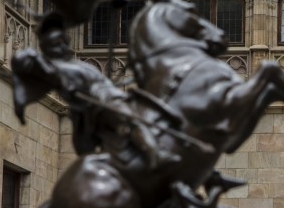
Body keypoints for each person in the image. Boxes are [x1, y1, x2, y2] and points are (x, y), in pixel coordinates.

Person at [12, 15, 178, 168]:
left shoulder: (70, 63)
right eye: (55, 45)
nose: (61, 47)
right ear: (46, 48)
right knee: (131, 119)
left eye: (62, 42)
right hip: (100, 101)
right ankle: (156, 154)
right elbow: (27, 65)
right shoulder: (55, 68)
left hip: (97, 103)